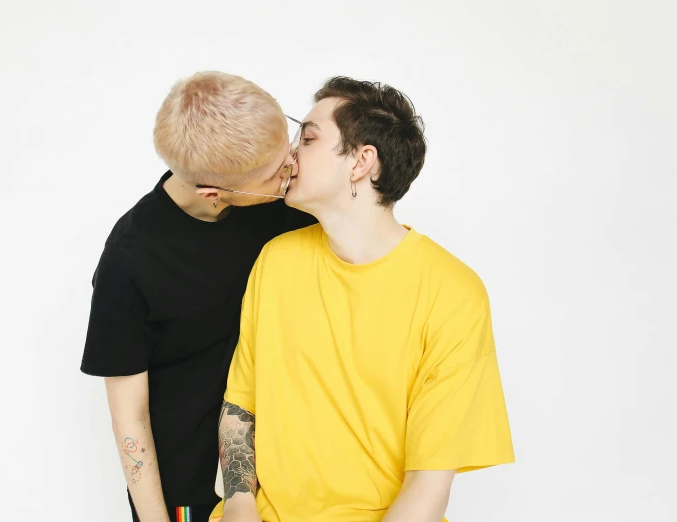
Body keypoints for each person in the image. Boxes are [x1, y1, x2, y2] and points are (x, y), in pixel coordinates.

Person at [211, 77, 514, 522]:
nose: (290, 155)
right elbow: (242, 404)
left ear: (361, 161)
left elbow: (428, 488)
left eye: (309, 138)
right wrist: (239, 505)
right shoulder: (275, 260)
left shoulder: (453, 292)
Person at [80, 71, 315, 522]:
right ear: (215, 193)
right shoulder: (129, 262)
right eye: (276, 173)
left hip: (293, 465)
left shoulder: (286, 201)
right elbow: (130, 418)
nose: (292, 170)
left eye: (290, 149)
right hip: (190, 482)